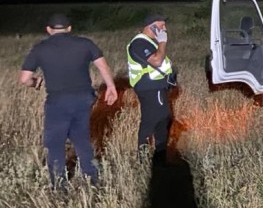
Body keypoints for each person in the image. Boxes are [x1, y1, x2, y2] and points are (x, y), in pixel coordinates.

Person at [18, 13, 118, 187]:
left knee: (56, 143)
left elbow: (24, 78)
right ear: (70, 28)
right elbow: (102, 65)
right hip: (84, 99)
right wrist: (111, 87)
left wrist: (36, 82)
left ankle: (59, 186)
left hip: (57, 102)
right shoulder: (85, 44)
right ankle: (92, 179)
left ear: (48, 30)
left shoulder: (40, 48)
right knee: (82, 140)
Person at [127, 13, 175, 159]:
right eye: (161, 26)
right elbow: (156, 61)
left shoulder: (148, 41)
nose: (164, 30)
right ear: (151, 27)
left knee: (162, 118)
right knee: (151, 120)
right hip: (149, 89)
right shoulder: (139, 44)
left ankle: (160, 155)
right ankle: (144, 157)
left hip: (156, 88)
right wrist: (163, 42)